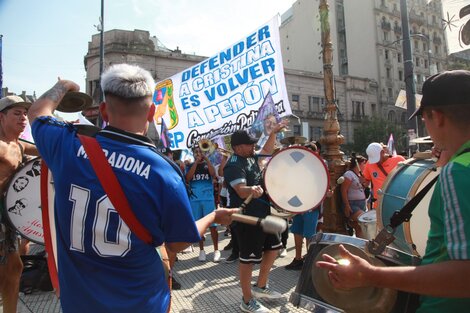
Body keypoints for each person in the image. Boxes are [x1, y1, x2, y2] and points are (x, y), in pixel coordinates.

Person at [27, 64, 236, 313]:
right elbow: (177, 244)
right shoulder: (164, 172)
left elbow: (37, 112)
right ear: (151, 113)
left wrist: (64, 86)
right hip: (140, 301)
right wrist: (213, 216)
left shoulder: (67, 145)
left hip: (80, 303)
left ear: (104, 110)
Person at [316, 70, 470, 312]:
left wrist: (372, 275)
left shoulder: (458, 172)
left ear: (437, 117)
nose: (426, 127)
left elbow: (464, 275)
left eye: (424, 119)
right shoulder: (459, 164)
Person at [224, 125, 287, 313]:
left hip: (263, 213)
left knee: (274, 248)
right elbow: (240, 191)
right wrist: (251, 190)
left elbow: (267, 150)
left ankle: (260, 286)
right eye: (249, 144)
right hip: (247, 219)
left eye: (253, 144)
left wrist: (274, 131)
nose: (253, 147)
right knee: (248, 259)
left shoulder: (250, 156)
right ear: (237, 147)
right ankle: (247, 300)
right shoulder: (234, 164)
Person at [0, 95, 38, 313]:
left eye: (25, 114)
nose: (23, 118)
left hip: (8, 218)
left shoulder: (19, 146)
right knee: (10, 270)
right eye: (17, 113)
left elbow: (45, 149)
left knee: (14, 269)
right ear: (1, 117)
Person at [185, 146, 220, 262]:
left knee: (213, 227)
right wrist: (195, 163)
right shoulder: (189, 166)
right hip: (195, 201)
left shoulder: (207, 165)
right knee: (199, 227)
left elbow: (213, 174)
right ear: (193, 154)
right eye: (196, 152)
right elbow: (188, 178)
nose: (199, 154)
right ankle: (201, 250)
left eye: (200, 152)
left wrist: (207, 160)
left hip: (208, 200)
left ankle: (216, 250)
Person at [363, 141, 405, 208]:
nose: (375, 162)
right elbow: (366, 181)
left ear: (382, 152)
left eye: (376, 158)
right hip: (379, 204)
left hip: (397, 201)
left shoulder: (399, 160)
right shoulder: (369, 163)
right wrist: (362, 182)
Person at [340, 154, 368, 238]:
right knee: (364, 221)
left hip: (361, 204)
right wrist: (347, 205)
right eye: (363, 163)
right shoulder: (349, 174)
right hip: (353, 204)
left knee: (358, 227)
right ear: (358, 164)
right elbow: (343, 190)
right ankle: (349, 222)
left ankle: (359, 246)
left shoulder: (359, 175)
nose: (365, 166)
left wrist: (363, 182)